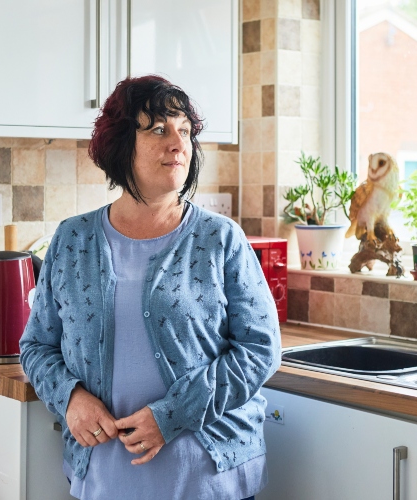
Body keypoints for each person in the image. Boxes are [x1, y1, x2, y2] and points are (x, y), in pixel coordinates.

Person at [19, 75, 281, 500]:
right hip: (102, 481)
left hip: (210, 481)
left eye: (185, 130)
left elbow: (260, 350)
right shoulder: (72, 239)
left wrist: (173, 415)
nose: (178, 143)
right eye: (159, 129)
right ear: (122, 144)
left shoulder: (221, 238)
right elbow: (36, 347)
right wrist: (70, 399)